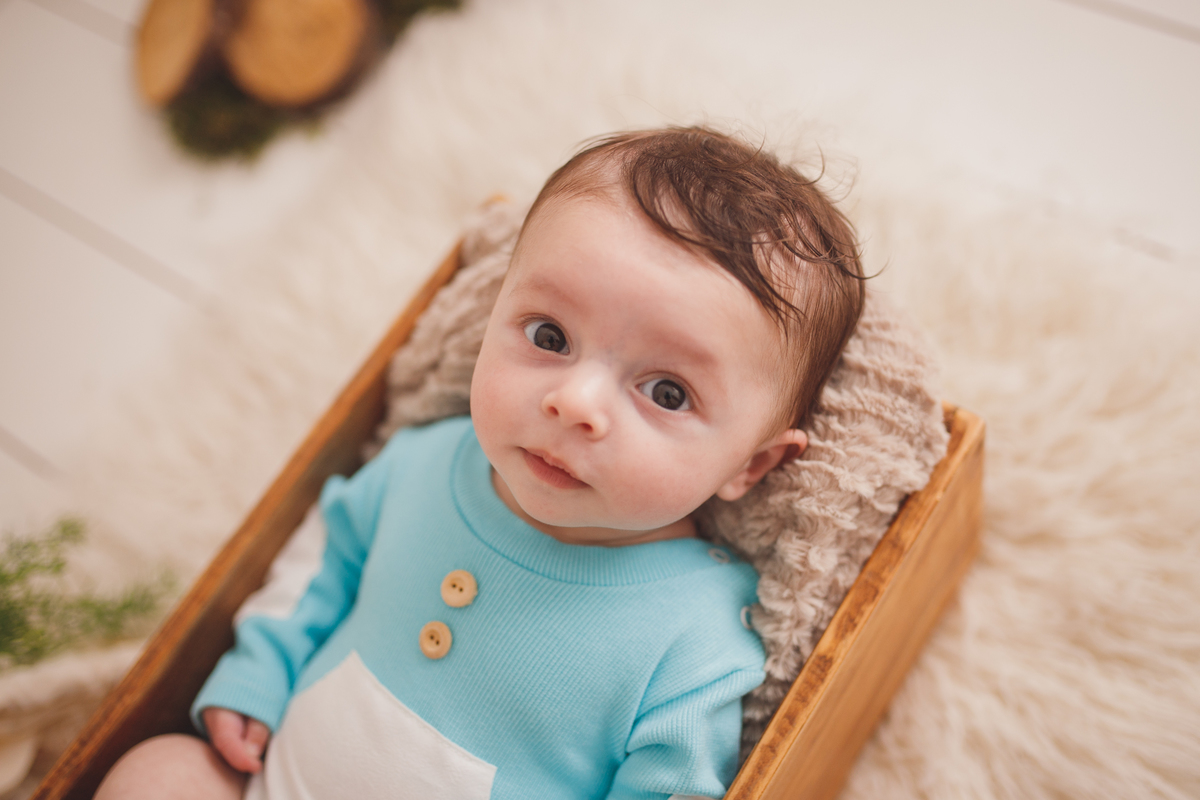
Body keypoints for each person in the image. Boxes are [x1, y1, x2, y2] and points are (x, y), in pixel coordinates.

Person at [95, 126, 865, 800]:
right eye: (550, 336)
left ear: (753, 466)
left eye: (666, 391)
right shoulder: (427, 461)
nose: (576, 402)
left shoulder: (697, 636)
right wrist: (258, 672)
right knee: (161, 770)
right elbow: (327, 560)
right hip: (270, 781)